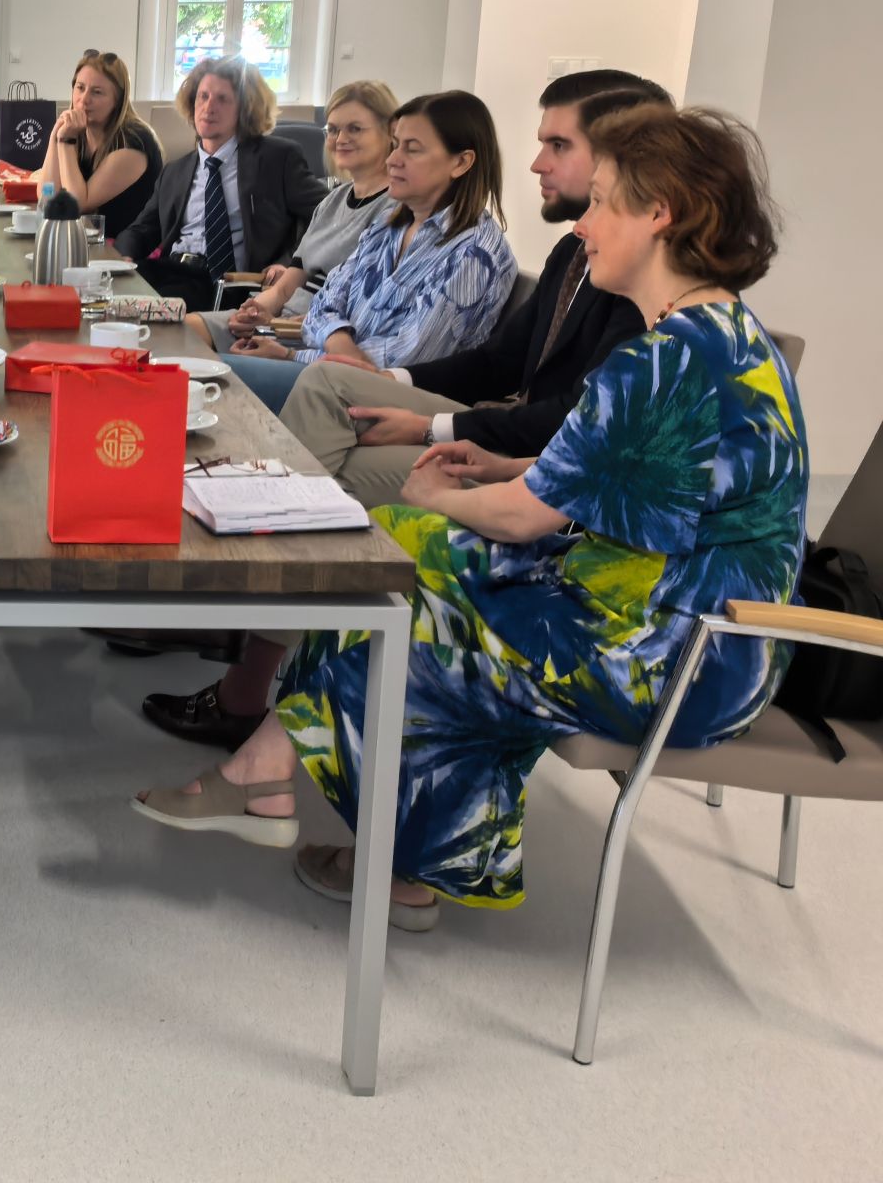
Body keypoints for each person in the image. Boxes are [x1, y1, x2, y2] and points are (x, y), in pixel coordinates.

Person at [131, 104, 806, 929]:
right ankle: (299, 793)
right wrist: (503, 466)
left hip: (677, 656)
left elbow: (522, 521)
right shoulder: (720, 335)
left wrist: (439, 493)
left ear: (658, 214)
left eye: (601, 203)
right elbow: (634, 477)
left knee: (411, 574)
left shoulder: (661, 361)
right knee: (405, 549)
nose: (584, 225)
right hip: (696, 625)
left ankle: (348, 822)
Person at [273, 72, 668, 509]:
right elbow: (498, 362)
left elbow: (580, 420)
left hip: (550, 473)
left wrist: (434, 427)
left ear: (619, 157)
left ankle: (266, 522)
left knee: (327, 425)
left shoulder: (642, 282)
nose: (537, 164)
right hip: (516, 437)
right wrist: (393, 381)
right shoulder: (571, 251)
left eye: (559, 145)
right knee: (328, 424)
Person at [212, 89, 516, 414]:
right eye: (395, 144)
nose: (392, 159)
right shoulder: (389, 226)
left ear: (461, 162)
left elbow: (400, 364)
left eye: (412, 149)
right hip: (333, 373)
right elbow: (324, 304)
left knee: (210, 380)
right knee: (198, 366)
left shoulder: (472, 253)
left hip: (391, 403)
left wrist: (292, 356)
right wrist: (337, 341)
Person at [188, 79, 399, 351]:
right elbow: (285, 288)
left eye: (355, 129)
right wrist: (253, 312)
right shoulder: (331, 201)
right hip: (280, 321)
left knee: (202, 360)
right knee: (182, 330)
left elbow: (359, 311)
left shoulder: (394, 209)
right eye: (333, 130)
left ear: (390, 132)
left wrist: (275, 327)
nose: (340, 139)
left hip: (316, 334)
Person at [112, 55, 326, 312]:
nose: (208, 107)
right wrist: (121, 257)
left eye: (222, 99)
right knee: (104, 294)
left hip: (229, 283)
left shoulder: (276, 158)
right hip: (172, 271)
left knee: (139, 309)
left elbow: (327, 212)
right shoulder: (175, 171)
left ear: (244, 109)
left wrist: (289, 264)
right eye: (203, 96)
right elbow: (142, 230)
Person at [33, 50, 164, 241]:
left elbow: (78, 204)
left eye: (97, 92)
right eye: (80, 88)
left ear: (117, 100)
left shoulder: (133, 141)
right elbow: (47, 197)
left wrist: (66, 141)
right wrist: (56, 134)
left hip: (126, 250)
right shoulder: (77, 132)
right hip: (90, 242)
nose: (84, 99)